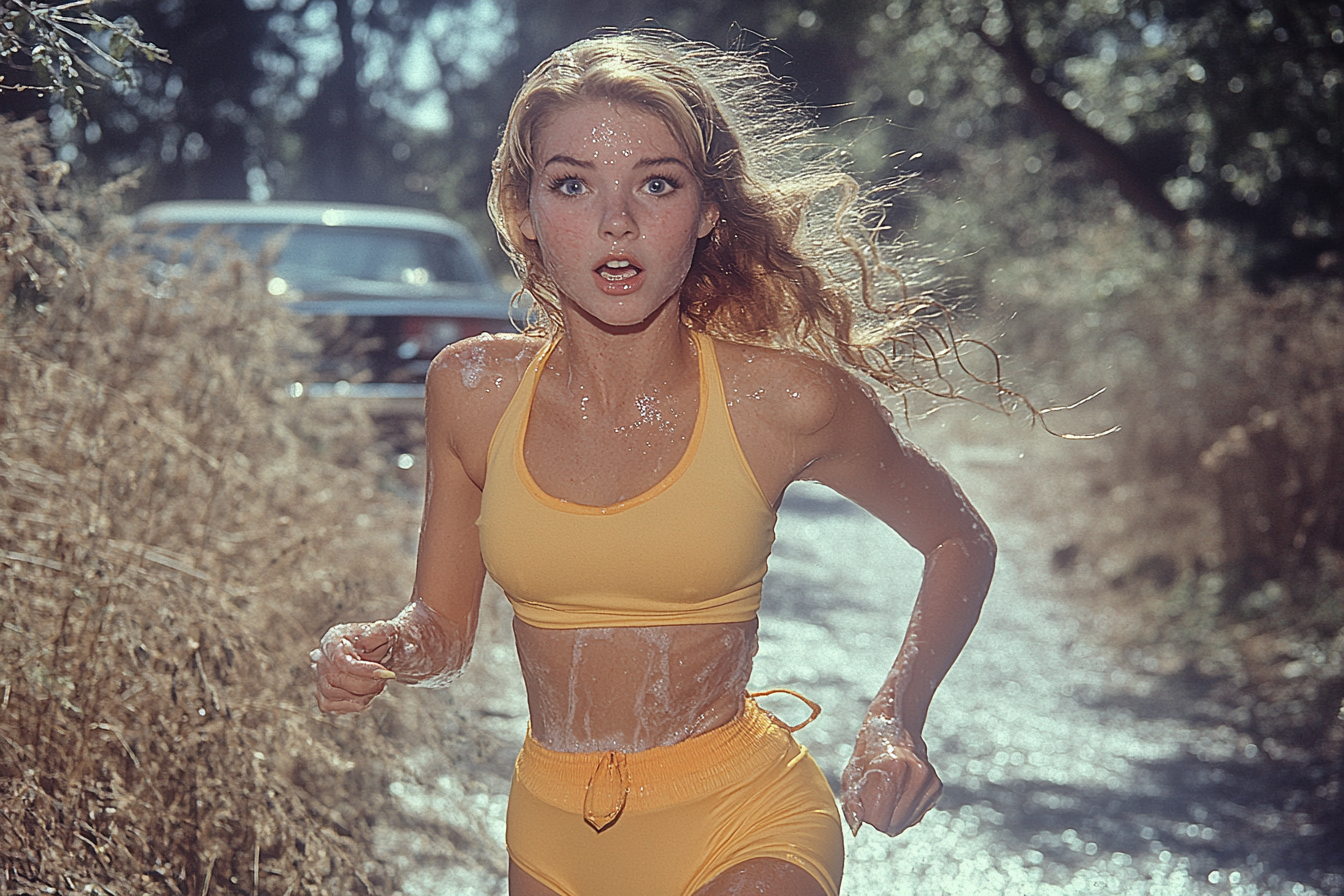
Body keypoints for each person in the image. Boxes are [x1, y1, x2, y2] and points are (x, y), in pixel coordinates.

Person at [311, 29, 998, 896]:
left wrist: (894, 720)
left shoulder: (785, 402)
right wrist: (380, 647)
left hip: (746, 820)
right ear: (524, 212)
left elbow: (959, 539)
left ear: (708, 211)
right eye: (572, 184)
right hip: (553, 834)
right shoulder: (472, 389)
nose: (616, 223)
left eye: (657, 183)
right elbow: (443, 628)